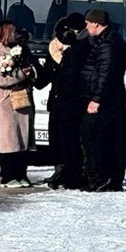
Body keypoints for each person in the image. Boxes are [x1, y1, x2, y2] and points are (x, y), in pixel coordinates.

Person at [78, 8, 126, 192]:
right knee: (112, 137)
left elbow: (105, 74)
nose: (86, 26)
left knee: (88, 132)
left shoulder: (108, 44)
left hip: (107, 100)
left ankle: (97, 177)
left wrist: (96, 99)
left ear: (97, 23)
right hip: (113, 98)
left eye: (88, 22)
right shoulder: (109, 40)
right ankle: (113, 179)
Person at [0, 20, 35, 187]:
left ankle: (21, 173)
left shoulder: (15, 49)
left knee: (23, 138)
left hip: (21, 98)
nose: (16, 34)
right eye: (13, 31)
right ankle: (8, 175)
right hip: (5, 101)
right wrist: (21, 74)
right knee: (9, 138)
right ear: (5, 32)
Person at [44, 14, 89, 189]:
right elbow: (47, 76)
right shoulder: (63, 51)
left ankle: (72, 174)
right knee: (60, 142)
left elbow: (70, 79)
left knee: (71, 143)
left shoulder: (76, 51)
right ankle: (64, 171)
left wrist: (61, 94)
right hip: (60, 104)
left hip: (69, 104)